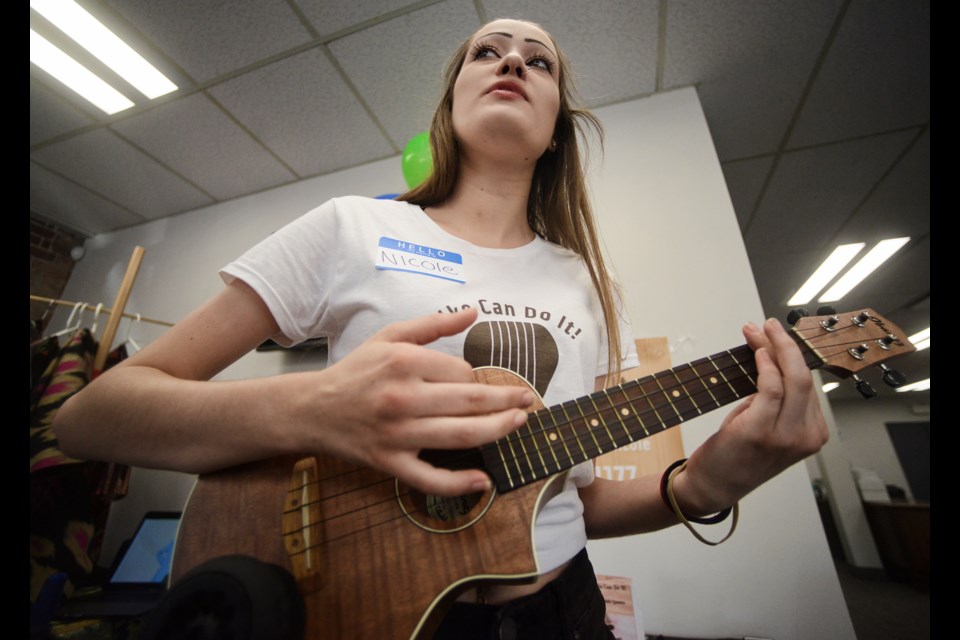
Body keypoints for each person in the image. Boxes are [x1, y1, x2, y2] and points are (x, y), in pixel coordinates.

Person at [52, 17, 828, 640]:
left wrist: (704, 486)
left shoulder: (585, 283)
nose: (513, 61)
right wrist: (311, 407)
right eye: (486, 52)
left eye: (540, 60)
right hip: (365, 606)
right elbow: (90, 419)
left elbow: (570, 501)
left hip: (564, 614)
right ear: (452, 108)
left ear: (556, 125)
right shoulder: (348, 228)